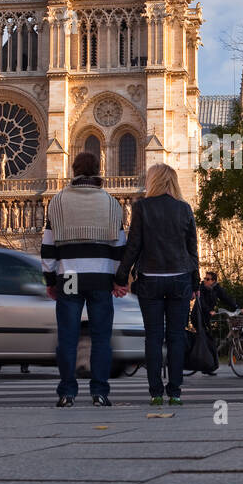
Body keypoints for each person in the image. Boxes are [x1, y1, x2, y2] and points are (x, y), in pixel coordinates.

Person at [42, 152, 126, 407]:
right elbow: (119, 246)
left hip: (70, 277)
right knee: (101, 337)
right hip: (101, 276)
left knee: (68, 336)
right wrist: (118, 279)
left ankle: (67, 392)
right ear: (99, 169)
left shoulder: (57, 202)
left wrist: (49, 280)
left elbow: (48, 246)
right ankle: (100, 391)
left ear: (74, 169)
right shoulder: (112, 203)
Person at [114, 164, 199, 406]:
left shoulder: (142, 208)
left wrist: (121, 277)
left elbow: (134, 246)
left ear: (153, 181)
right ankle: (175, 390)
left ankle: (155, 392)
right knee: (176, 337)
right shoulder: (184, 209)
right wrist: (195, 282)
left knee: (153, 336)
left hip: (150, 279)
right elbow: (192, 251)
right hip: (180, 278)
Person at [197, 271, 242, 374]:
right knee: (207, 340)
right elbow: (201, 302)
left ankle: (207, 366)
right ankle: (207, 366)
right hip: (198, 316)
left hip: (206, 317)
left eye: (208, 279)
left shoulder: (217, 289)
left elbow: (226, 298)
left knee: (209, 340)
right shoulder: (201, 288)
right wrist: (209, 310)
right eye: (205, 278)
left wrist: (237, 307)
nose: (205, 280)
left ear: (213, 281)